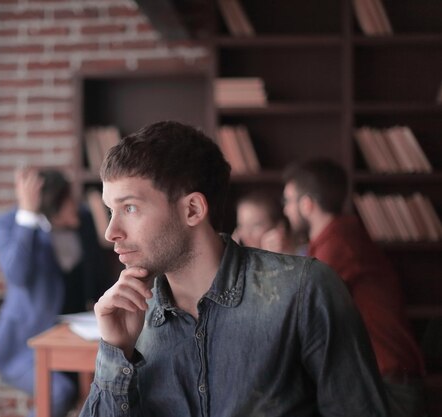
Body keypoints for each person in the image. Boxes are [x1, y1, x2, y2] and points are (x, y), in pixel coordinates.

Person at [79, 121, 389, 417]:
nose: (110, 232)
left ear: (193, 210)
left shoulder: (305, 291)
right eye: (110, 211)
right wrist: (115, 350)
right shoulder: (130, 315)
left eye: (130, 208)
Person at [282, 158, 426, 417]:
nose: (286, 210)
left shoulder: (338, 245)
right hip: (385, 379)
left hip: (388, 384)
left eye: (288, 201)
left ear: (307, 205)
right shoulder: (336, 238)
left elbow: (302, 307)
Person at [0, 167, 111, 417]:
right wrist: (28, 217)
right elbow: (17, 275)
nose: (75, 205)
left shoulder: (83, 219)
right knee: (60, 392)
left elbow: (96, 274)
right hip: (22, 347)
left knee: (104, 387)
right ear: (52, 206)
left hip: (75, 336)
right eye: (68, 202)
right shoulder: (9, 225)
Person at [232, 190, 306, 254]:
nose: (246, 234)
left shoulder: (303, 255)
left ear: (280, 227)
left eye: (255, 226)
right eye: (241, 225)